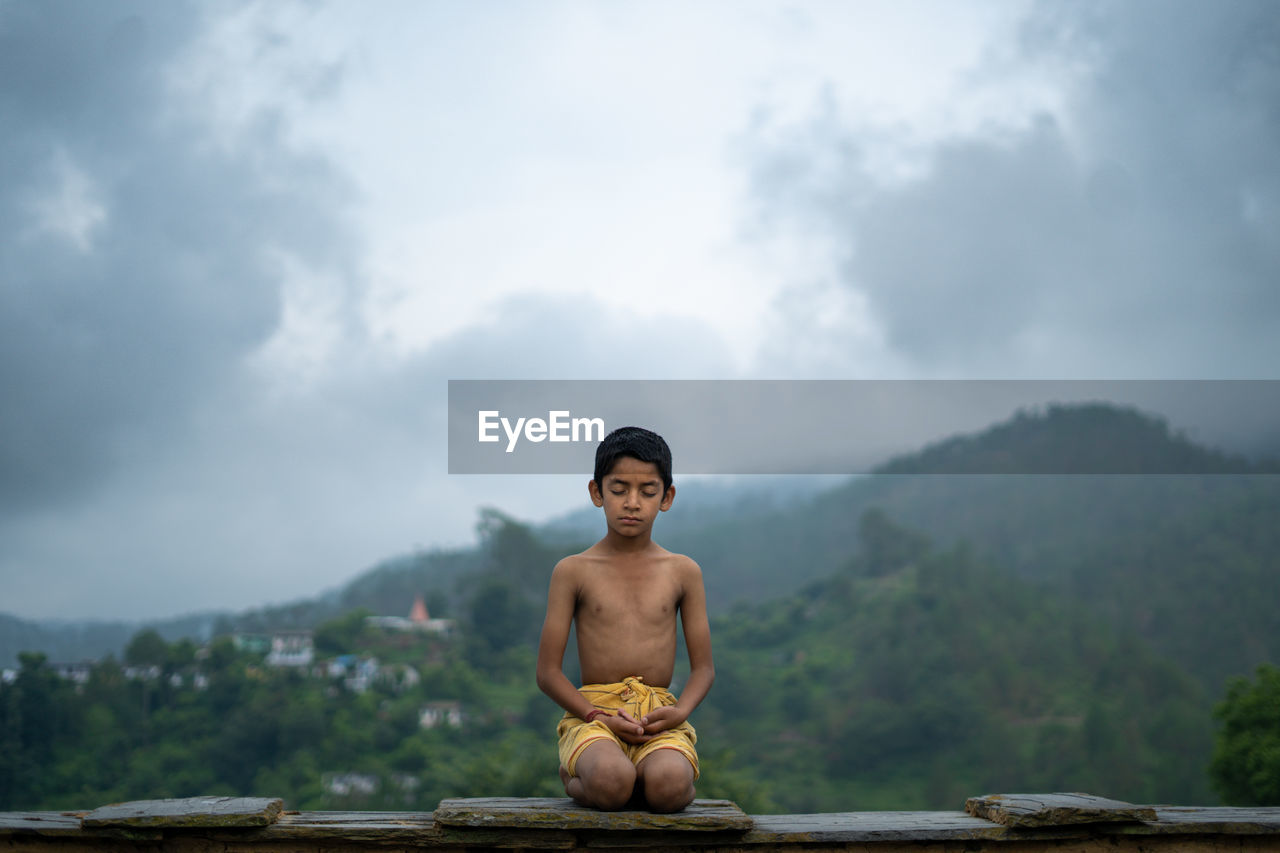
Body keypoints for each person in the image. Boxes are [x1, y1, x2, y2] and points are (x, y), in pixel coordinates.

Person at [535, 426, 714, 813]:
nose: (632, 502)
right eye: (619, 490)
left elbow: (704, 670)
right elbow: (548, 673)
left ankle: (653, 782)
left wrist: (679, 713)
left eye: (647, 491)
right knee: (611, 783)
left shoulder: (683, 572)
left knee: (669, 788)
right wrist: (595, 714)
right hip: (595, 717)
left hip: (658, 718)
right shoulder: (573, 571)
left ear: (666, 497)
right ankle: (583, 780)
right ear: (596, 492)